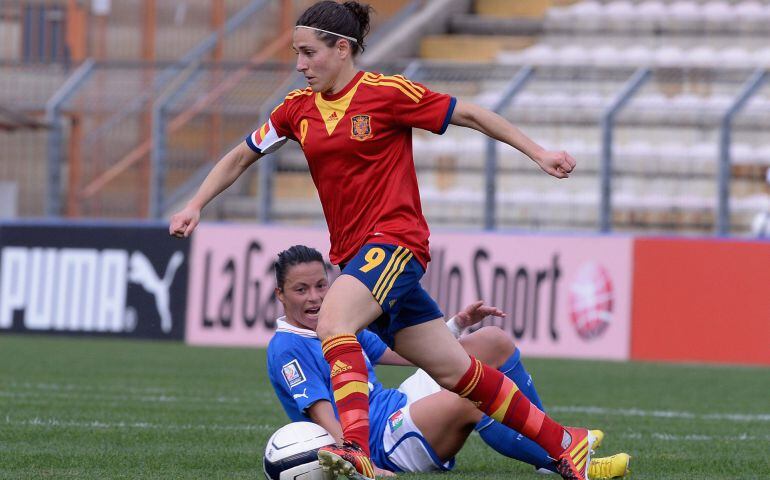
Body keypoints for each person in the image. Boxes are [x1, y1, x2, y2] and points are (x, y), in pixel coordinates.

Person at [169, 2, 590, 479]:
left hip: (395, 242)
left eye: (308, 53)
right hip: (357, 259)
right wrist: (196, 203)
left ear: (341, 48)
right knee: (456, 373)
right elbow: (241, 156)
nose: (300, 65)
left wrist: (538, 152)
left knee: (334, 322)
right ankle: (563, 441)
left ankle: (355, 447)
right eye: (297, 54)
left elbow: (468, 113)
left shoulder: (385, 93)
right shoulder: (295, 110)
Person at [267, 245, 631, 479]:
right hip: (379, 442)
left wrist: (455, 326)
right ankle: (565, 456)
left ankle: (554, 444)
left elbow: (404, 353)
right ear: (280, 295)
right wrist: (366, 467)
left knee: (492, 343)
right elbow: (322, 416)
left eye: (321, 286)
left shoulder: (340, 321)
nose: (315, 298)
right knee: (472, 397)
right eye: (301, 290)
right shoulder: (287, 349)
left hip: (397, 404)